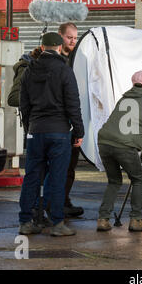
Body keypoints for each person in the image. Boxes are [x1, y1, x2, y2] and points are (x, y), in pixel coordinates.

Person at [18, 32, 84, 236]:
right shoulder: (64, 70)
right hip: (59, 132)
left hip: (36, 131)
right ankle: (57, 224)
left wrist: (31, 128)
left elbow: (24, 104)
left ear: (43, 46)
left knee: (31, 176)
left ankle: (26, 222)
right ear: (58, 47)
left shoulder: (29, 71)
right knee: (56, 177)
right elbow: (73, 104)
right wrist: (78, 131)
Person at [96, 70, 142, 232]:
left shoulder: (124, 99)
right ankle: (136, 219)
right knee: (138, 180)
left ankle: (103, 219)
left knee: (114, 181)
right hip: (124, 146)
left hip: (104, 141)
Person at [57, 22, 84, 218]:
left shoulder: (79, 60)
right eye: (69, 37)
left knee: (70, 166)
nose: (73, 41)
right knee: (56, 167)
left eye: (75, 38)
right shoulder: (56, 62)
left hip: (71, 124)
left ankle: (63, 201)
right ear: (60, 36)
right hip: (58, 126)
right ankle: (54, 204)